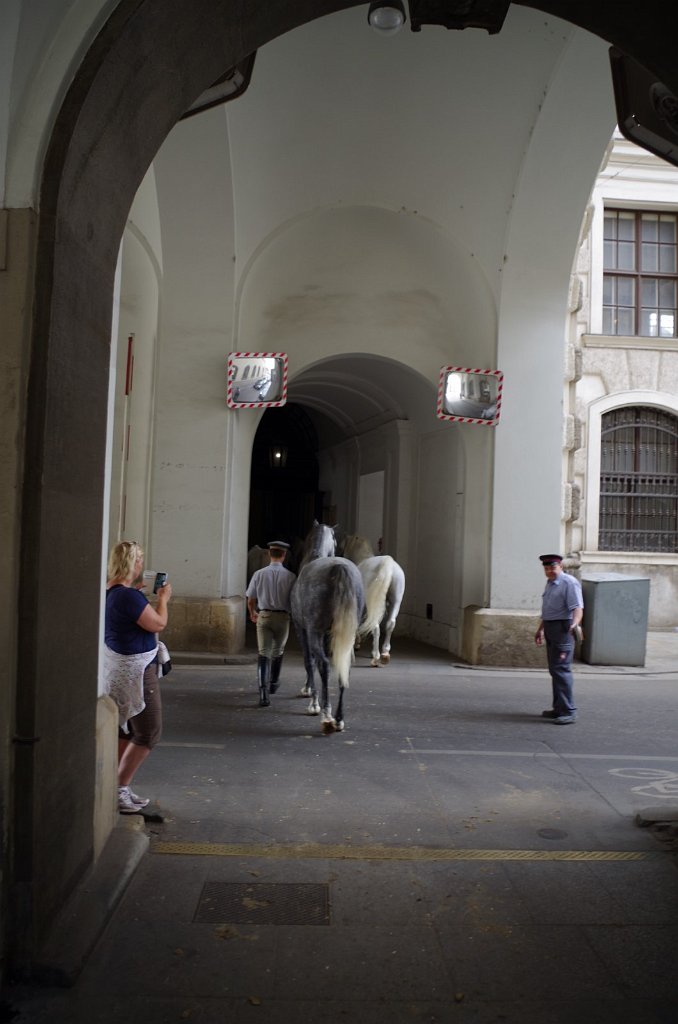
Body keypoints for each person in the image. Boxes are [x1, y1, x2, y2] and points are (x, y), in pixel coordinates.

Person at [104, 540, 173, 812]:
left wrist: (139, 595)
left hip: (121, 668)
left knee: (128, 729)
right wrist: (163, 599)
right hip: (137, 672)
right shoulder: (127, 596)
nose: (142, 565)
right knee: (149, 732)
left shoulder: (114, 591)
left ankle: (116, 786)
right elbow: (159, 623)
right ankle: (120, 788)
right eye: (140, 559)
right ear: (131, 562)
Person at [534, 553, 584, 725]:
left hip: (563, 628)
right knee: (555, 669)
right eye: (546, 569)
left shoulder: (569, 582)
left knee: (561, 669)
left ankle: (569, 711)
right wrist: (540, 629)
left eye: (552, 568)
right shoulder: (550, 583)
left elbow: (577, 607)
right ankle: (559, 708)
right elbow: (548, 609)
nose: (549, 571)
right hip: (550, 627)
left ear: (561, 566)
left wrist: (574, 624)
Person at [246, 540, 296, 707]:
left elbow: (251, 598)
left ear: (269, 554)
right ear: (283, 556)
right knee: (278, 652)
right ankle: (274, 683)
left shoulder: (259, 574)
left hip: (264, 616)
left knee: (263, 653)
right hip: (282, 618)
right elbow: (293, 601)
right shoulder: (291, 577)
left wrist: (252, 612)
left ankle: (263, 694)